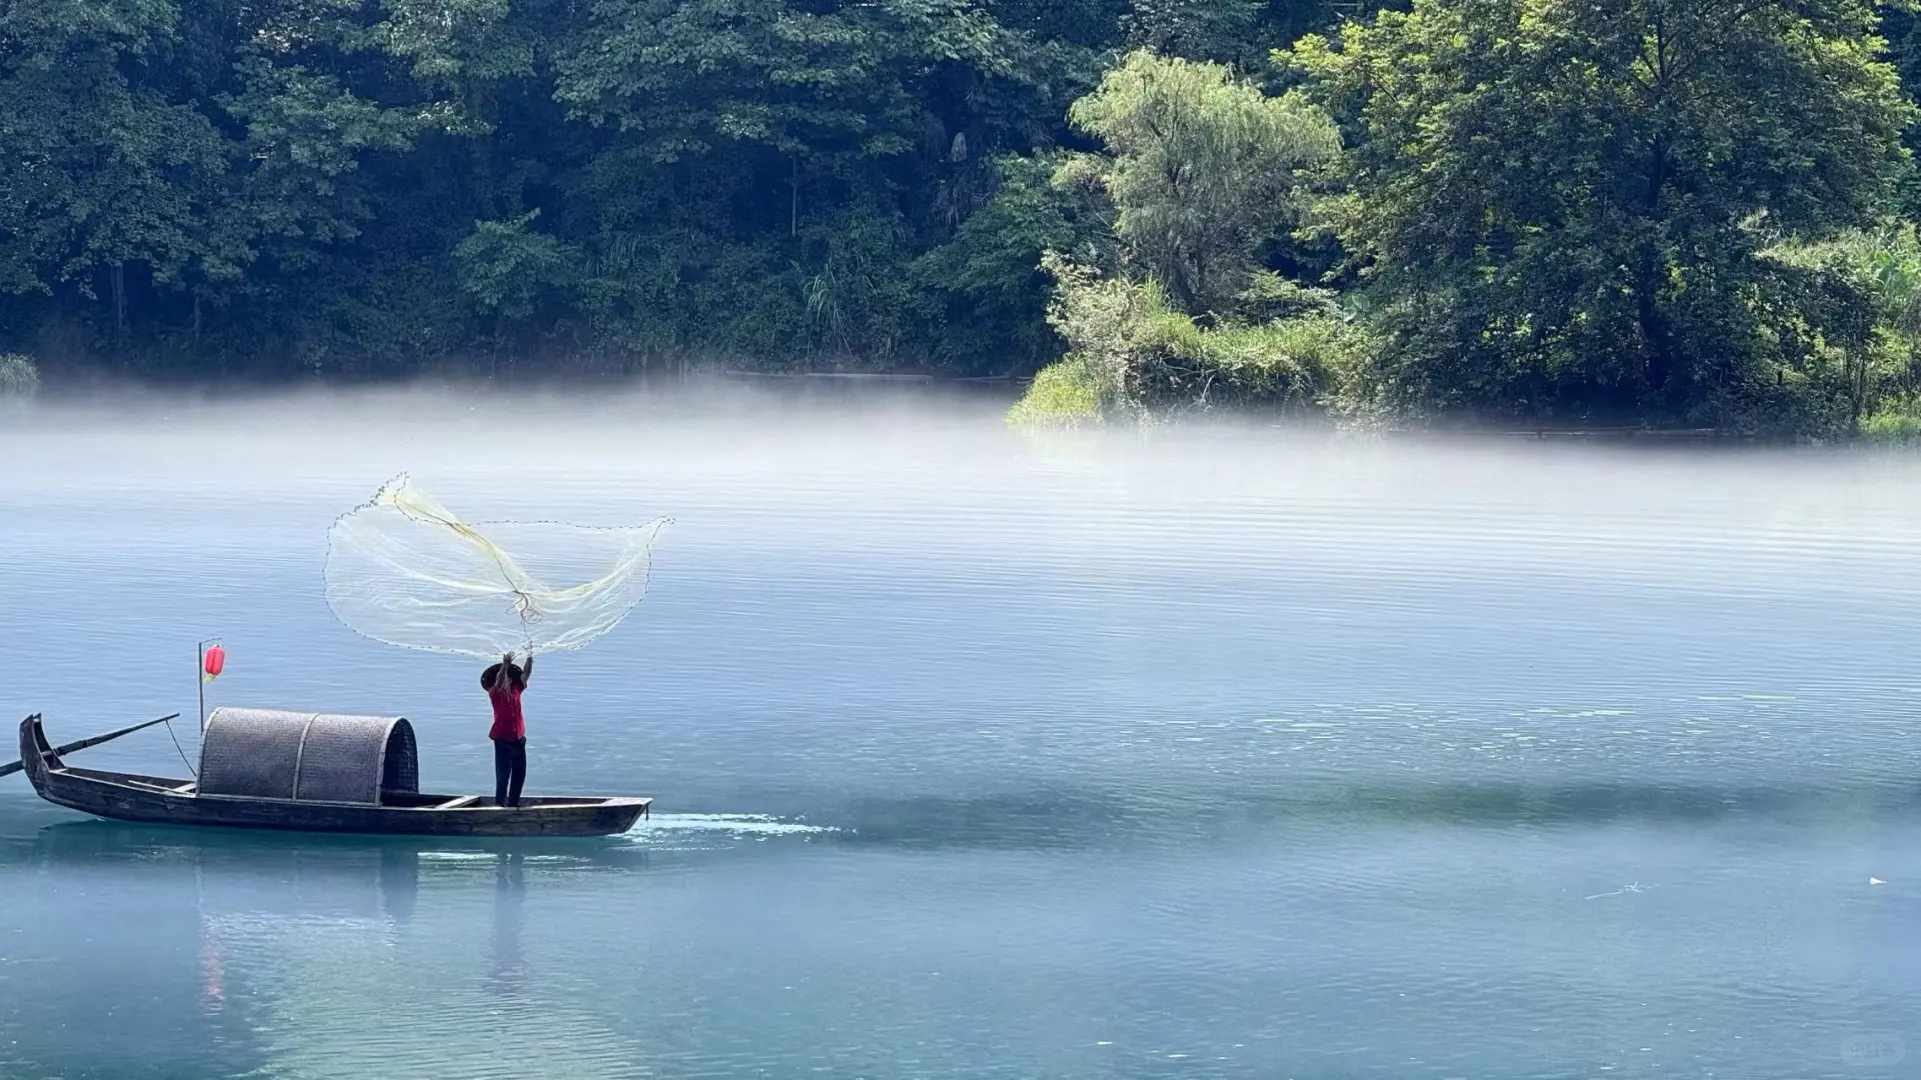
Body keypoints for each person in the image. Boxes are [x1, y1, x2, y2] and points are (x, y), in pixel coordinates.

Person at [482, 649, 533, 808]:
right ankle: (499, 805)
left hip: (518, 738)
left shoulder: (516, 690)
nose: (504, 681)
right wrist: (504, 665)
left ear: (510, 681)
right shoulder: (495, 692)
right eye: (502, 679)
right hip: (502, 739)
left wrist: (530, 657)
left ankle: (513, 803)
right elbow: (499, 680)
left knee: (520, 772)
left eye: (507, 679)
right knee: (503, 774)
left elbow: (525, 674)